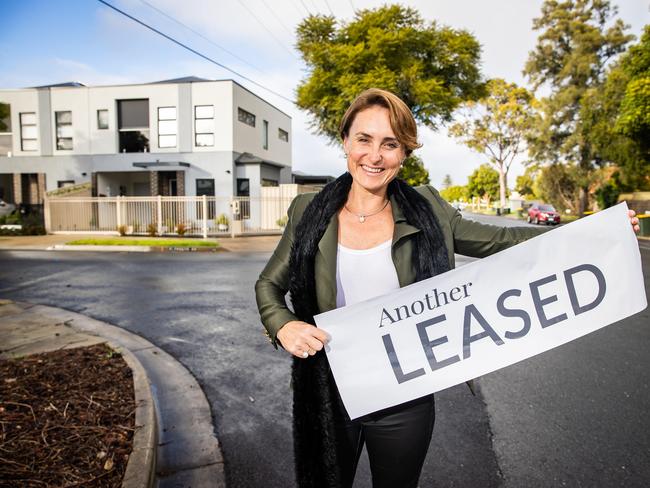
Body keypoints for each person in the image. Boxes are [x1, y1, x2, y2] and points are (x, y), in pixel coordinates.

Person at [255, 88, 641, 488]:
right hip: (329, 391)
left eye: (390, 144)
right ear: (346, 142)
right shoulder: (308, 211)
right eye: (364, 140)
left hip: (405, 396)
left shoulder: (428, 208)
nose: (374, 156)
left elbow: (502, 241)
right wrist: (283, 324)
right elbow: (269, 283)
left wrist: (594, 234)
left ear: (404, 152)